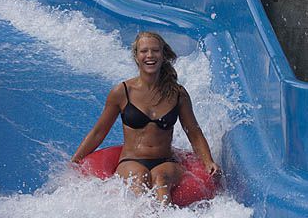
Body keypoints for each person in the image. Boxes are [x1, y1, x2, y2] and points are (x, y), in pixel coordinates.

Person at [72, 32, 220, 205]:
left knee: (161, 183)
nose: (150, 55)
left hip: (165, 161)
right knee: (138, 181)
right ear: (136, 56)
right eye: (144, 51)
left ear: (163, 55)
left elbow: (194, 132)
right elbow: (99, 132)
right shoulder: (122, 92)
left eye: (155, 51)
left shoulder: (177, 94)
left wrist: (208, 161)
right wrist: (76, 160)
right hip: (131, 160)